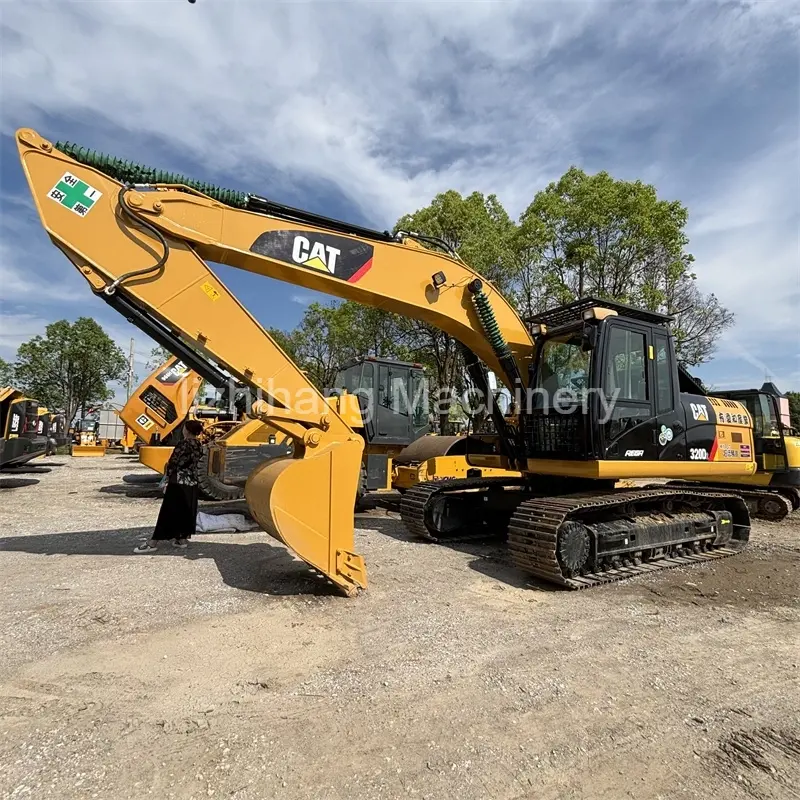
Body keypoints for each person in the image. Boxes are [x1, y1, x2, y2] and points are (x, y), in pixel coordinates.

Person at [134, 420, 205, 553]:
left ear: (187, 430)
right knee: (186, 511)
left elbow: (173, 463)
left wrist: (166, 479)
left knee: (168, 511)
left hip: (178, 482)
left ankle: (153, 542)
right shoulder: (198, 444)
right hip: (192, 483)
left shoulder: (183, 444)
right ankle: (181, 538)